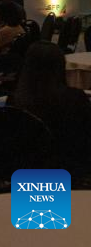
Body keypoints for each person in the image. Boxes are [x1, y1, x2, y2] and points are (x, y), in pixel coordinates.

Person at [8, 42, 91, 174]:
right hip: (67, 172)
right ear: (60, 66)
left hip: (24, 170)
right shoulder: (75, 99)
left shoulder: (14, 99)